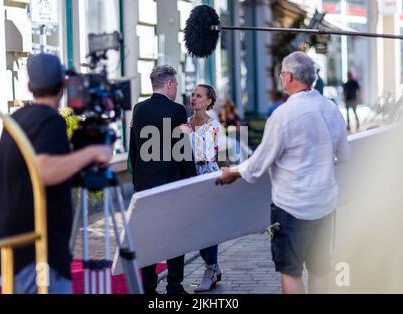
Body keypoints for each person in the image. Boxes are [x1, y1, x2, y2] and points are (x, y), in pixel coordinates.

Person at [216, 51, 350, 294]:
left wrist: (233, 172)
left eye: (281, 75)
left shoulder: (284, 114)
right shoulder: (331, 109)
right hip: (325, 204)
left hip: (292, 208)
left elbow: (259, 162)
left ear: (288, 77)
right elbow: (344, 155)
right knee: (321, 270)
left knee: (291, 271)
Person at [0, 53, 114, 294]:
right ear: (63, 84)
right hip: (36, 252)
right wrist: (92, 153)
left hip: (9, 246)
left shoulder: (16, 119)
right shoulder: (50, 121)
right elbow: (44, 169)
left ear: (29, 87)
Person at [129, 65, 197, 295]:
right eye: (176, 84)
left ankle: (148, 287)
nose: (176, 88)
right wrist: (192, 179)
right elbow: (182, 150)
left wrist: (137, 178)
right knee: (174, 234)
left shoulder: (138, 110)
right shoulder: (176, 110)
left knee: (148, 235)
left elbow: (133, 151)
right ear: (169, 84)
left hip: (144, 184)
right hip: (171, 182)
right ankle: (174, 285)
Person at [179, 84, 223, 292]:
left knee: (206, 225)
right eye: (193, 95)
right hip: (189, 176)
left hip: (208, 176)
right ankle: (212, 266)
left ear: (208, 101)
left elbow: (208, 153)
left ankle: (211, 268)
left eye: (199, 96)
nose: (193, 98)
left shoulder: (213, 126)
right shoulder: (185, 123)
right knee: (195, 226)